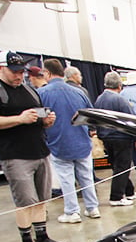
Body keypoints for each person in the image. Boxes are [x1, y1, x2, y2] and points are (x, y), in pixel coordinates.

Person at [0, 50, 68, 242]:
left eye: (21, 71)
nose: (18, 75)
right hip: (15, 154)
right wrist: (19, 119)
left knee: (41, 199)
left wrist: (45, 120)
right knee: (25, 201)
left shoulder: (29, 90)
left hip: (39, 150)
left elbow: (37, 115)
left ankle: (42, 236)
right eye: (14, 71)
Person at [38, 58, 100, 223]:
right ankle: (92, 208)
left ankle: (72, 212)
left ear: (47, 73)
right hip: (81, 141)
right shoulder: (80, 92)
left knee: (66, 178)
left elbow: (39, 120)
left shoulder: (42, 93)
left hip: (58, 142)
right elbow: (91, 115)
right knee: (86, 176)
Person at [93, 71, 136, 207]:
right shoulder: (120, 100)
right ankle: (116, 197)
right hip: (121, 138)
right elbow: (132, 120)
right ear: (119, 85)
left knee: (117, 166)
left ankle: (129, 191)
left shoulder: (99, 99)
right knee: (122, 167)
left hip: (106, 138)